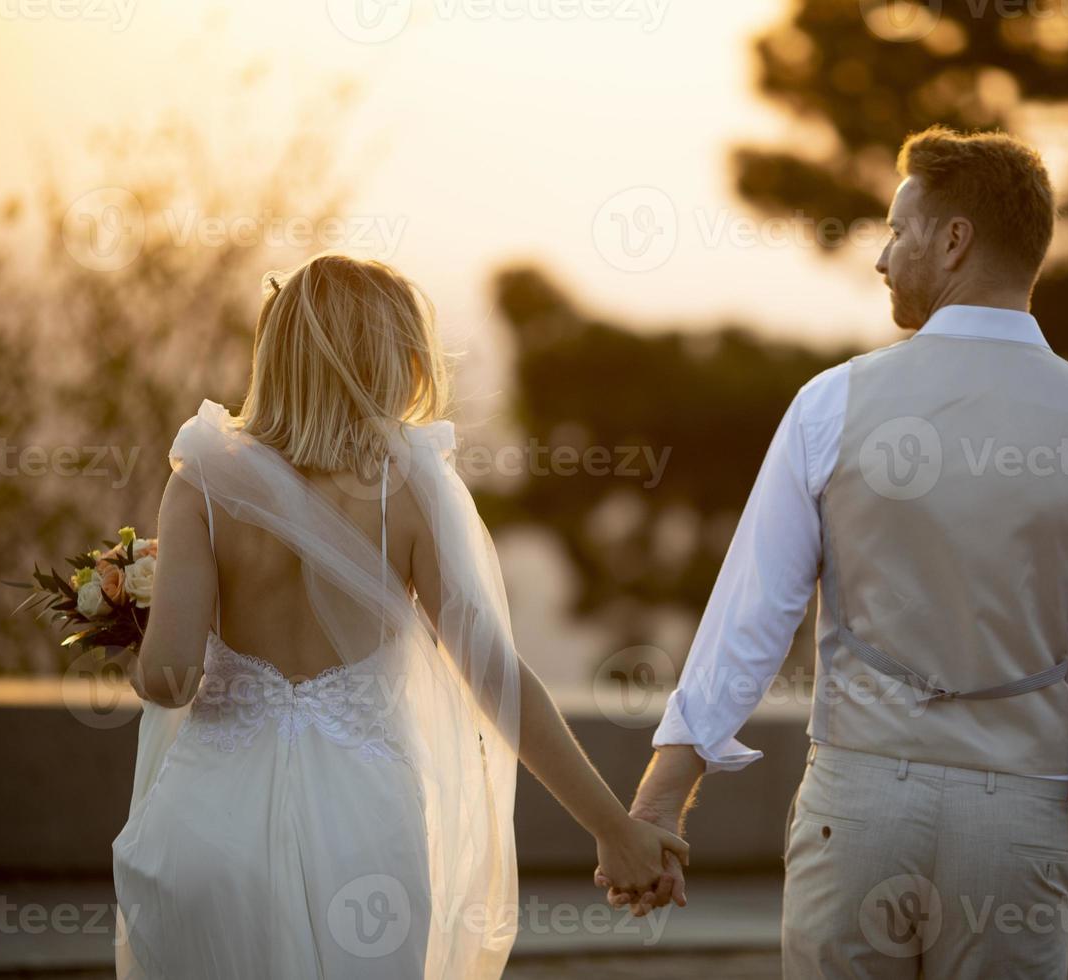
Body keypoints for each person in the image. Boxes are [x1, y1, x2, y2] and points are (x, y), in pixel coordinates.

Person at [603, 127, 1068, 978]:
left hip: (858, 810)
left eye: (898, 230)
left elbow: (751, 620)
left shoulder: (832, 403)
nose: (882, 257)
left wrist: (658, 801)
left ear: (954, 241)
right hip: (1016, 826)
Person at [112, 253, 686, 978]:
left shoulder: (205, 477)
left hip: (209, 829)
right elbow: (495, 678)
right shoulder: (406, 485)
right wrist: (613, 827)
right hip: (361, 829)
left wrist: (128, 624)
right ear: (392, 360)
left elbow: (169, 680)